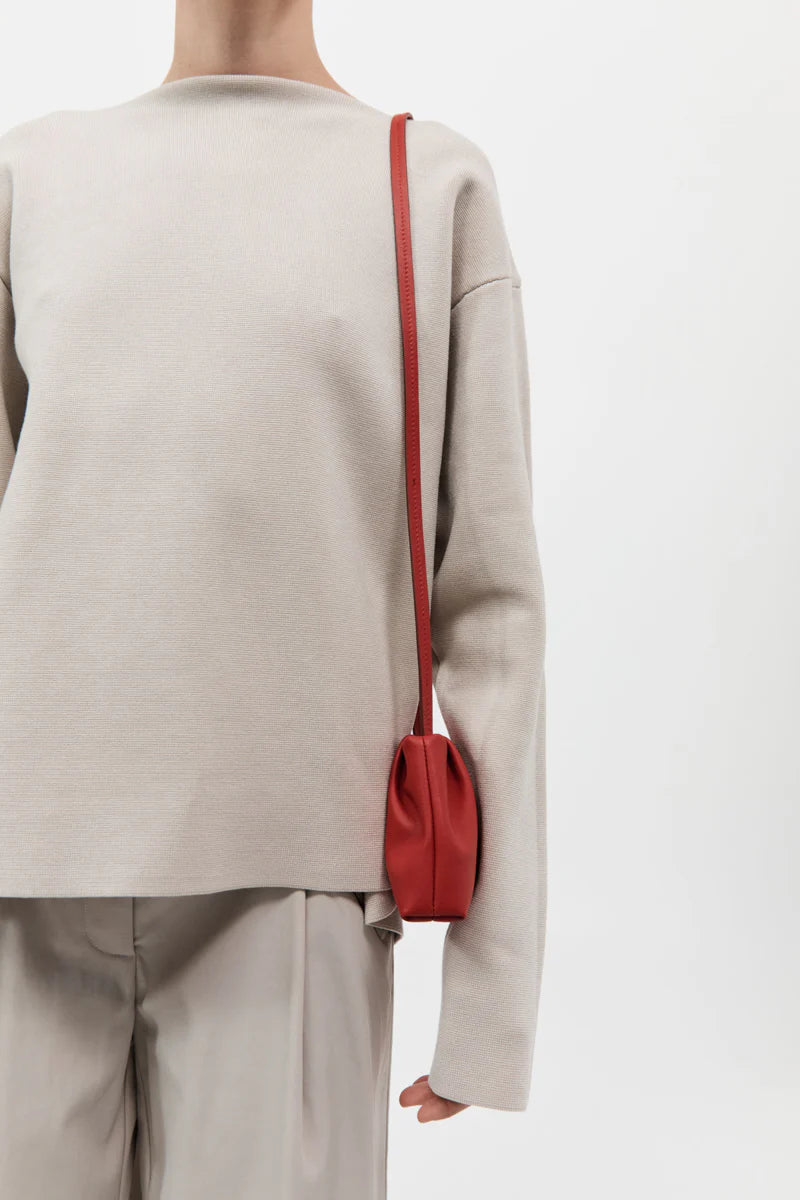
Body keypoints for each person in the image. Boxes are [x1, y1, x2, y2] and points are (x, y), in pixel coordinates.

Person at [0, 0, 546, 1196]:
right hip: (20, 872)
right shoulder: (28, 175)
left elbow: (491, 606)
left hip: (294, 878)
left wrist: (491, 995)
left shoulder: (429, 184)